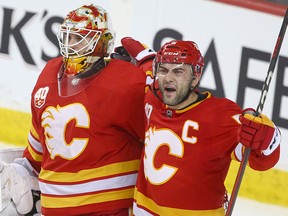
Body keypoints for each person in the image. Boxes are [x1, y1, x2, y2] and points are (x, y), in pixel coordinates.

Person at [0, 4, 147, 216]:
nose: (70, 45)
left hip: (107, 210)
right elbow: (40, 144)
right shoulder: (50, 73)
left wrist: (149, 70)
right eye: (68, 37)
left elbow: (155, 138)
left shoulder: (125, 82)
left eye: (79, 39)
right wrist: (23, 170)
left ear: (103, 42)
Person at [112, 37, 281, 216]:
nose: (168, 78)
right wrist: (146, 58)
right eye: (163, 70)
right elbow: (148, 73)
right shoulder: (152, 97)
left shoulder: (218, 116)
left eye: (178, 72)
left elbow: (260, 160)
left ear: (196, 77)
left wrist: (267, 139)